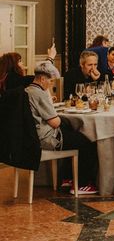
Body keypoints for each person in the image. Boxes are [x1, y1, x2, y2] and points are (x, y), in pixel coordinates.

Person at [26, 61, 98, 194]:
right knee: (88, 142)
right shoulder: (39, 94)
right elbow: (55, 122)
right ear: (42, 79)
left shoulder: (27, 90)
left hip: (31, 136)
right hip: (46, 138)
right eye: (50, 80)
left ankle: (67, 178)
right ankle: (81, 185)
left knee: (71, 133)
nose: (51, 84)